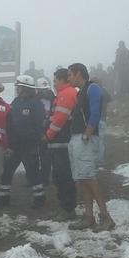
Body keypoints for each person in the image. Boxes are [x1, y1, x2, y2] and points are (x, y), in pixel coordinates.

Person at [67, 63, 115, 231]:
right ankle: (89, 217)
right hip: (78, 139)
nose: (68, 78)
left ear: (78, 73)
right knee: (83, 178)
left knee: (89, 178)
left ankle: (106, 217)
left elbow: (95, 113)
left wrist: (87, 133)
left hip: (85, 139)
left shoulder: (93, 88)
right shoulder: (81, 92)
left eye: (70, 75)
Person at [0, 75, 46, 208]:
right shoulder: (16, 102)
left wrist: (35, 140)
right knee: (7, 170)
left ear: (25, 88)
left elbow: (39, 125)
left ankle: (39, 198)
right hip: (15, 144)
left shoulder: (36, 104)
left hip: (29, 144)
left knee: (33, 172)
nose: (17, 89)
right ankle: (3, 197)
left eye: (19, 87)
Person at [43, 68, 78, 221]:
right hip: (59, 142)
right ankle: (65, 207)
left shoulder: (66, 94)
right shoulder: (63, 94)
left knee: (63, 176)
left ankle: (68, 209)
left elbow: (59, 119)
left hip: (62, 143)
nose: (54, 83)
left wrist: (47, 135)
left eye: (56, 80)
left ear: (63, 80)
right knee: (59, 176)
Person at [90, 77, 113, 166]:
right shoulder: (104, 91)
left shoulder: (92, 92)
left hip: (93, 120)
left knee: (93, 141)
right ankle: (100, 160)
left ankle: (95, 160)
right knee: (101, 141)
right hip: (103, 119)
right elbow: (110, 103)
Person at [36, 78, 55, 186]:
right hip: (41, 129)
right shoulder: (51, 98)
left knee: (44, 155)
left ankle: (44, 178)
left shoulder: (52, 99)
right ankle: (42, 177)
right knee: (41, 155)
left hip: (46, 129)